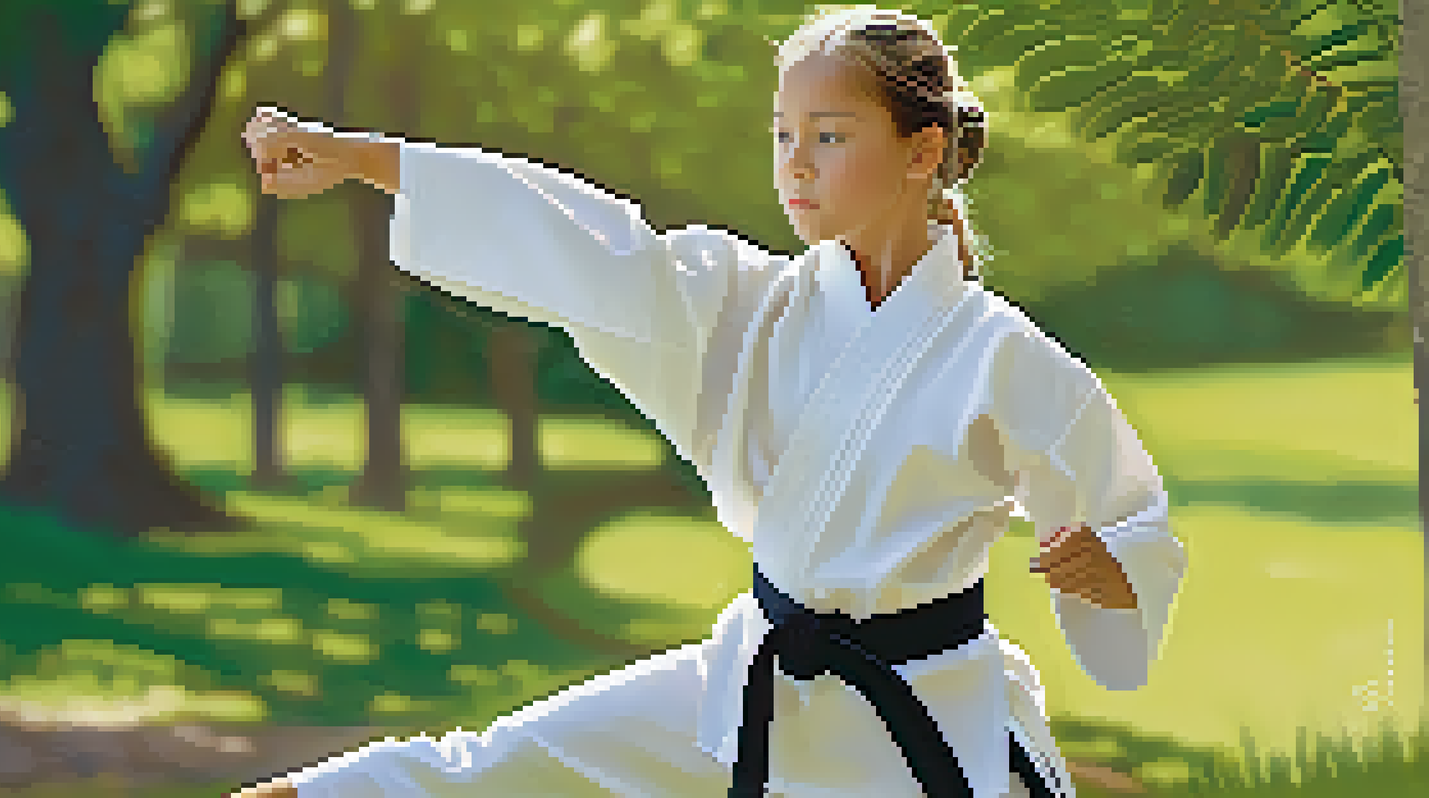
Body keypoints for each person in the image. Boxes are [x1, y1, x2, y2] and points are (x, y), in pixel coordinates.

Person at [233, 6, 1187, 797]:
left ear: (919, 150)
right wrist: (365, 157)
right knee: (487, 770)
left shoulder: (1000, 356)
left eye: (830, 136)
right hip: (754, 685)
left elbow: (1128, 512)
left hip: (924, 715)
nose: (796, 165)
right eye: (783, 138)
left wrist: (1114, 568)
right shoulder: (747, 302)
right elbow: (586, 246)